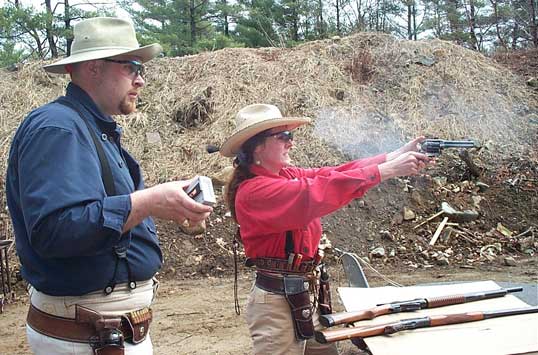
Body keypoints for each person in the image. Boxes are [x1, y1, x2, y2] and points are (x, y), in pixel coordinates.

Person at [5, 17, 212, 355]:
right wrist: (147, 203)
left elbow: (98, 215)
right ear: (93, 68)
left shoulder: (85, 128)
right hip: (90, 337)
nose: (141, 80)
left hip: (103, 334)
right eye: (132, 66)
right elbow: (54, 231)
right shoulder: (58, 128)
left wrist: (164, 205)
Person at [221, 103, 430, 355]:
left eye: (290, 136)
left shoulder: (283, 175)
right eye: (283, 136)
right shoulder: (255, 191)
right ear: (257, 146)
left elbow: (334, 173)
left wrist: (393, 156)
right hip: (277, 304)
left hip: (301, 295)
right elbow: (318, 191)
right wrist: (387, 170)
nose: (291, 142)